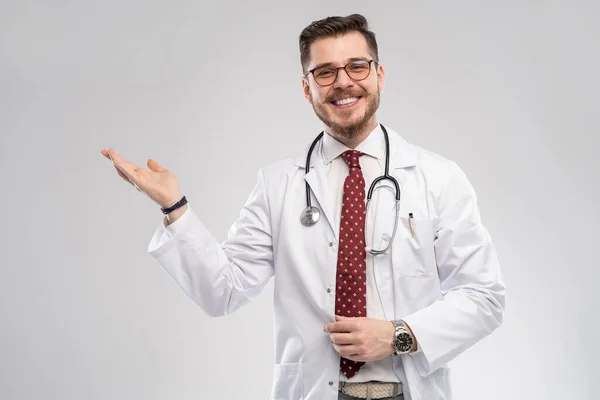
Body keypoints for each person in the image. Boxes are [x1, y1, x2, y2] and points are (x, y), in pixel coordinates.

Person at [101, 13, 505, 400]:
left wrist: (401, 334)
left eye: (357, 67)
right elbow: (222, 292)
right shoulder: (278, 184)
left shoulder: (438, 177)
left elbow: (484, 297)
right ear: (307, 87)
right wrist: (174, 205)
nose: (343, 83)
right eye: (325, 72)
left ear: (379, 75)